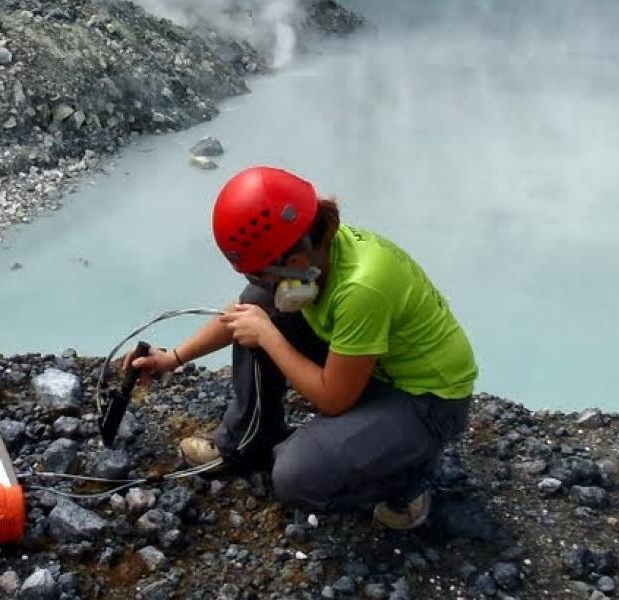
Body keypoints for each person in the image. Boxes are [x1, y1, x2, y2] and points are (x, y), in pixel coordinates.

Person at [132, 166, 478, 529]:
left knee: (298, 477)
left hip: (428, 399)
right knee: (258, 304)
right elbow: (242, 314)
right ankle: (248, 443)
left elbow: (334, 400)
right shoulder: (313, 247)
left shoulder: (362, 288)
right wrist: (172, 358)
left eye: (256, 273)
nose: (254, 280)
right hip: (374, 368)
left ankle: (411, 480)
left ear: (294, 262)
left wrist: (269, 336)